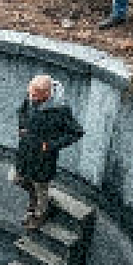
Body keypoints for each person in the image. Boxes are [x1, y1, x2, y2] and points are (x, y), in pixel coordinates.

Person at [13, 75, 84, 229]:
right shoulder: (32, 97)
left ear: (46, 94)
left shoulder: (60, 110)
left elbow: (76, 132)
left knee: (41, 187)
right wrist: (22, 127)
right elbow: (22, 110)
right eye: (30, 93)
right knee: (17, 178)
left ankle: (40, 214)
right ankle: (34, 201)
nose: (30, 97)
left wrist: (50, 145)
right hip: (26, 150)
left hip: (43, 158)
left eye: (34, 95)